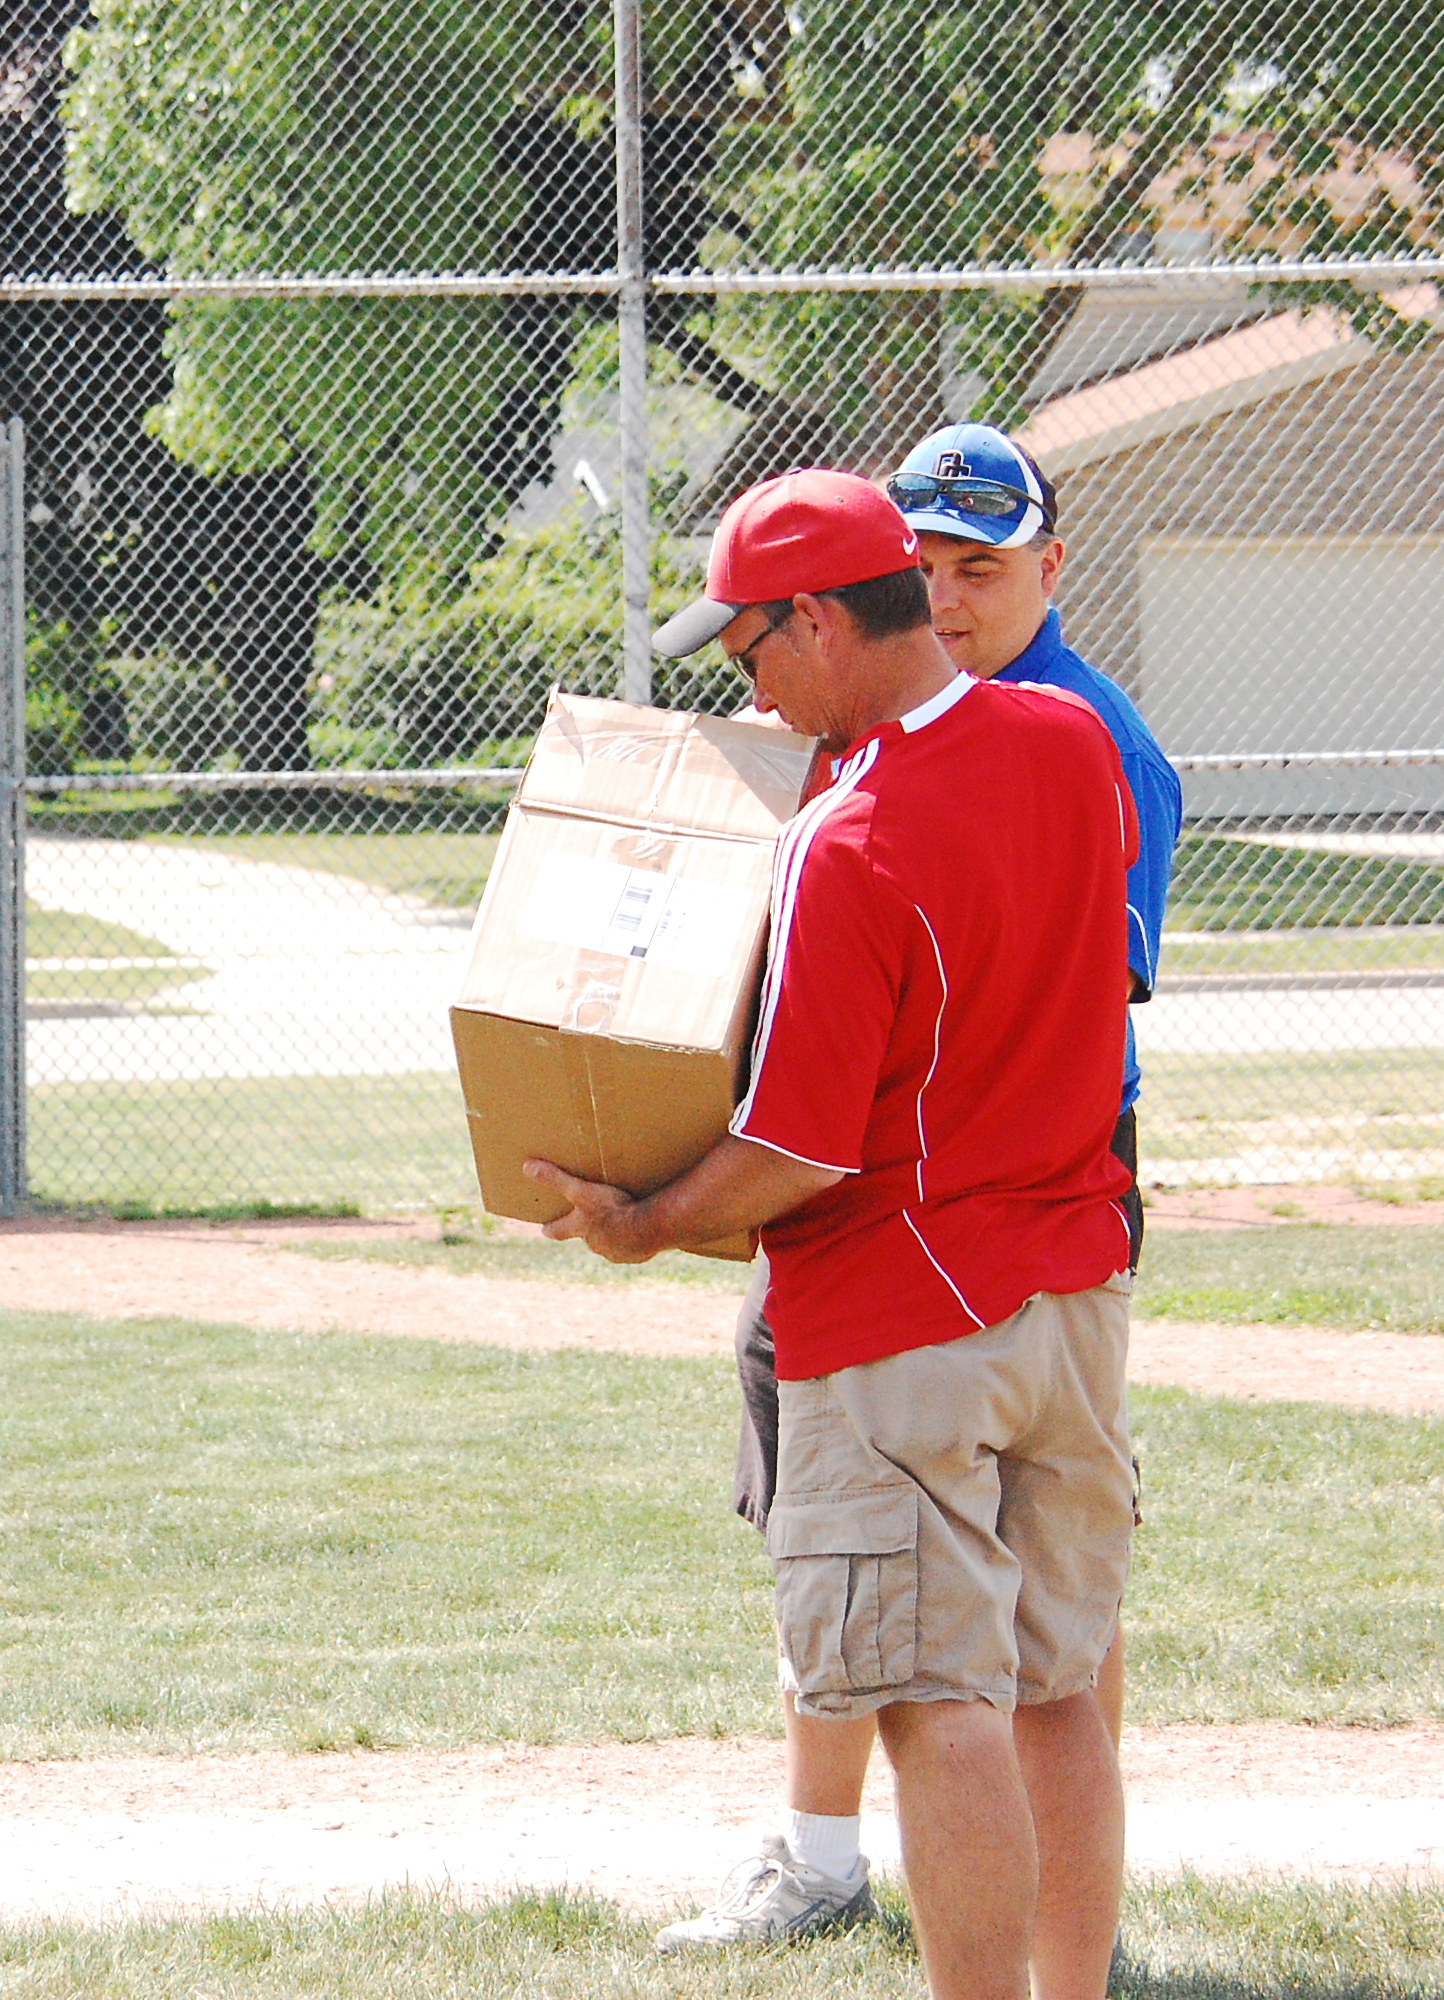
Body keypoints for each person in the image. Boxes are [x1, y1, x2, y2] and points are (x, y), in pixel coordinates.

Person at [533, 470, 1140, 2000]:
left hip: (900, 1323)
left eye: (752, 651)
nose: (752, 691)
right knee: (1061, 1689)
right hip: (1073, 1295)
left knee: (937, 1705)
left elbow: (798, 1147)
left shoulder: (848, 835)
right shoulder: (1072, 741)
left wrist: (642, 1223)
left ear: (817, 620)